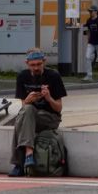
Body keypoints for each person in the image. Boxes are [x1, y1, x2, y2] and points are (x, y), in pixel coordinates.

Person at [9, 48, 67, 177]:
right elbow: (24, 106)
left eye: (39, 64)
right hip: (30, 117)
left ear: (44, 62)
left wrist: (49, 98)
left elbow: (58, 108)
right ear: (27, 64)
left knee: (20, 121)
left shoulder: (53, 76)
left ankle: (18, 164)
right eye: (33, 65)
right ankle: (28, 155)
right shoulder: (22, 76)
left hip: (50, 118)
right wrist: (28, 100)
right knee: (26, 112)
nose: (36, 68)